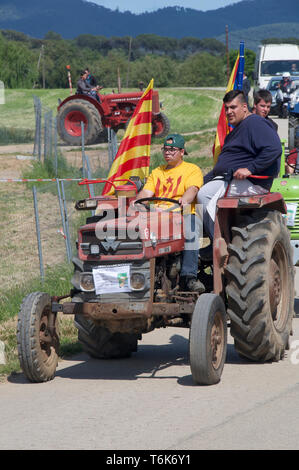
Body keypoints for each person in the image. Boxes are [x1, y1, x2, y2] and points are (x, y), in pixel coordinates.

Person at [197, 90, 282, 254]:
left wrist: (250, 168)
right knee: (194, 195)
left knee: (205, 194)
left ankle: (220, 245)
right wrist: (195, 182)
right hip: (230, 180)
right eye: (226, 108)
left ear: (244, 107)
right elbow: (220, 169)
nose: (229, 112)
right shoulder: (235, 131)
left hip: (251, 183)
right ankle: (191, 250)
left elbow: (273, 148)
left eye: (233, 107)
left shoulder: (255, 123)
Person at [135, 133, 205, 292]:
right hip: (158, 214)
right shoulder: (157, 172)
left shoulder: (191, 169)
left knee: (191, 229)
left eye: (172, 149)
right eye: (165, 149)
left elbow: (192, 189)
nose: (167, 152)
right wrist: (137, 203)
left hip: (183, 212)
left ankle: (189, 277)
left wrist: (184, 200)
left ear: (182, 152)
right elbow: (146, 193)